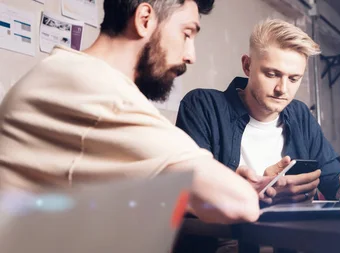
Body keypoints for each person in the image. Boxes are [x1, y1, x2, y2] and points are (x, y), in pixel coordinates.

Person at [0, 0, 268, 224]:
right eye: (187, 34)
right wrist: (224, 187)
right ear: (144, 19)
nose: (190, 55)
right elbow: (240, 203)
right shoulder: (97, 92)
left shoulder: (64, 74)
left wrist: (209, 187)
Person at [176, 19, 340, 204]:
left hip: (297, 232)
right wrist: (253, 192)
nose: (282, 89)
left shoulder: (300, 115)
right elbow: (188, 191)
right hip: (228, 232)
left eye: (293, 79)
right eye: (272, 74)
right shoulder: (202, 106)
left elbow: (333, 179)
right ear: (247, 66)